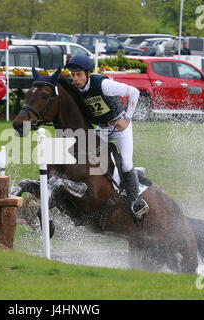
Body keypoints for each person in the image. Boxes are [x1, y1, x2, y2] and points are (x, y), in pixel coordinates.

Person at [65, 54, 149, 219]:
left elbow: (134, 92)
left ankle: (134, 201)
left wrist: (126, 119)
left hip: (119, 128)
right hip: (101, 129)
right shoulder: (75, 89)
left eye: (79, 74)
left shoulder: (104, 84)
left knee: (125, 162)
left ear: (88, 73)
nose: (75, 79)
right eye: (73, 75)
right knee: (89, 160)